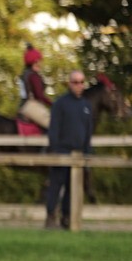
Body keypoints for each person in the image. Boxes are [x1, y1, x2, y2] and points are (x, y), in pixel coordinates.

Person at [45, 70, 93, 229]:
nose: (79, 85)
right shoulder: (60, 104)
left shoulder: (86, 106)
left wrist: (87, 153)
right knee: (56, 185)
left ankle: (67, 218)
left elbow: (88, 132)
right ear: (69, 83)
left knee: (72, 189)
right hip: (62, 151)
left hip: (78, 154)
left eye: (81, 82)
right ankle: (50, 217)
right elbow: (54, 129)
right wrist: (54, 150)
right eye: (75, 82)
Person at [17, 45, 51, 129]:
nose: (40, 64)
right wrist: (53, 104)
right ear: (34, 62)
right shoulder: (34, 76)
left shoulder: (25, 73)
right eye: (39, 61)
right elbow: (39, 95)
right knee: (54, 125)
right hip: (31, 105)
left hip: (23, 105)